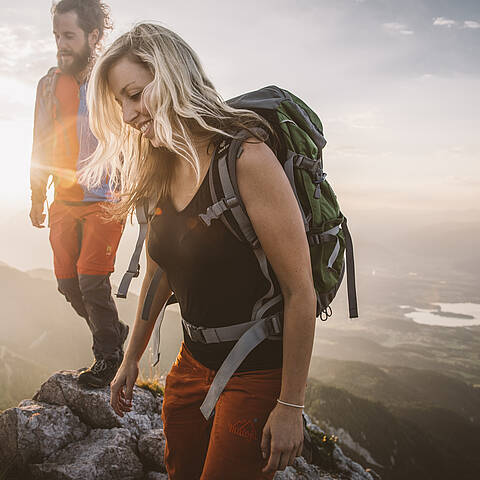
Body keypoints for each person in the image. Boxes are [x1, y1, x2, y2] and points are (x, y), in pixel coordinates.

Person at [83, 23, 317, 479]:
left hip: (256, 372)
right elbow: (157, 276)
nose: (128, 115)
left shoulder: (246, 160)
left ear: (171, 78)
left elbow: (300, 291)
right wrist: (130, 359)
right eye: (120, 103)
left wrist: (290, 406)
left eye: (134, 94)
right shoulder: (158, 171)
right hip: (190, 366)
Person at [29, 0, 128, 388]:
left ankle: (108, 357)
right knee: (68, 283)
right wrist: (37, 196)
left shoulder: (114, 79)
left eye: (68, 35)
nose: (61, 44)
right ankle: (114, 331)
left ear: (93, 36)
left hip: (108, 199)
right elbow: (40, 141)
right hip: (64, 199)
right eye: (56, 36)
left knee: (91, 281)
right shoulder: (49, 84)